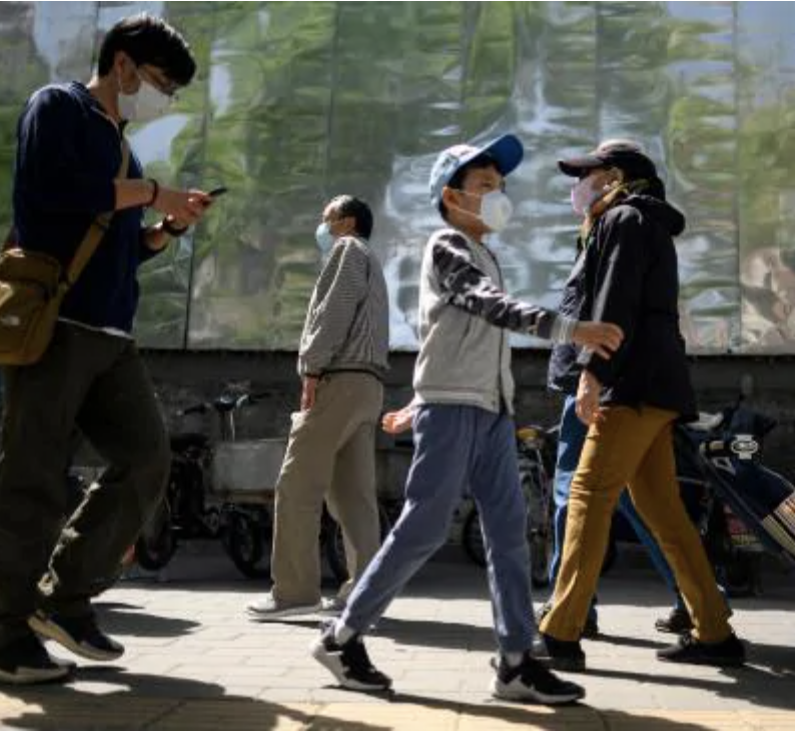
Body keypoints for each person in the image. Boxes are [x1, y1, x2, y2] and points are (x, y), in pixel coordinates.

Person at [310, 134, 621, 704]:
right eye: (484, 185)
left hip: (489, 411)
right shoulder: (447, 246)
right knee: (424, 527)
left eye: (500, 185)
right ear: (452, 198)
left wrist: (417, 400)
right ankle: (342, 636)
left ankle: (515, 660)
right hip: (454, 411)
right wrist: (571, 330)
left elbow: (457, 338)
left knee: (509, 533)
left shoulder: (485, 253)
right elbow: (487, 306)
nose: (498, 195)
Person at [0, 13, 210, 685]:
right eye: (162, 82)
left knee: (147, 460)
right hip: (56, 326)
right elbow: (50, 198)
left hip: (111, 335)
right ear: (123, 64)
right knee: (32, 478)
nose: (164, 98)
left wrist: (162, 231)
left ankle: (61, 598)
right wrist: (152, 191)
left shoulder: (123, 149)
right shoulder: (58, 107)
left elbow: (118, 249)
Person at [534, 141, 745, 672]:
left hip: (630, 384)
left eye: (588, 173)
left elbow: (616, 302)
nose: (578, 184)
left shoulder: (624, 218)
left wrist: (592, 373)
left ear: (616, 176)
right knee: (661, 511)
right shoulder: (639, 220)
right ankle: (714, 631)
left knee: (587, 494)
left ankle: (560, 632)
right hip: (656, 384)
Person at [247, 195, 390, 620]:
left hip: (338, 379)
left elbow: (334, 312)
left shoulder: (347, 250)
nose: (321, 227)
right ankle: (365, 591)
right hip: (369, 385)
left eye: (326, 219)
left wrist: (312, 369)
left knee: (297, 487)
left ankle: (293, 593)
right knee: (353, 496)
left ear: (347, 222)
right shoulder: (373, 260)